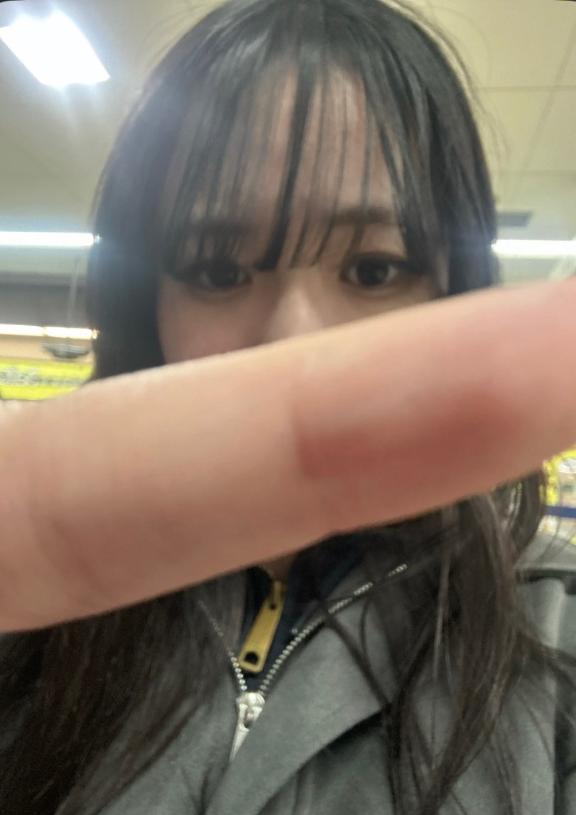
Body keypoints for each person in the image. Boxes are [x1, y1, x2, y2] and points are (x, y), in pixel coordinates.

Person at [0, 0, 575, 813]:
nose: (294, 342)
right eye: (218, 270)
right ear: (145, 304)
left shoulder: (554, 625)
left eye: (373, 269)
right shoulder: (29, 604)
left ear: (456, 290)